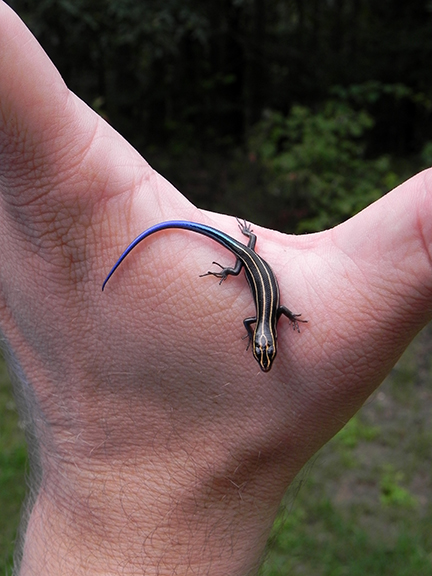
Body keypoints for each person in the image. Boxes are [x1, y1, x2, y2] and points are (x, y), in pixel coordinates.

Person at [1, 2, 431, 575]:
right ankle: (229, 256)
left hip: (252, 265)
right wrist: (245, 270)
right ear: (267, 342)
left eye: (263, 350)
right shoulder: (268, 319)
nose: (264, 349)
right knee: (232, 263)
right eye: (266, 349)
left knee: (233, 266)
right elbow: (272, 310)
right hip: (247, 260)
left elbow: (263, 316)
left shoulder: (263, 324)